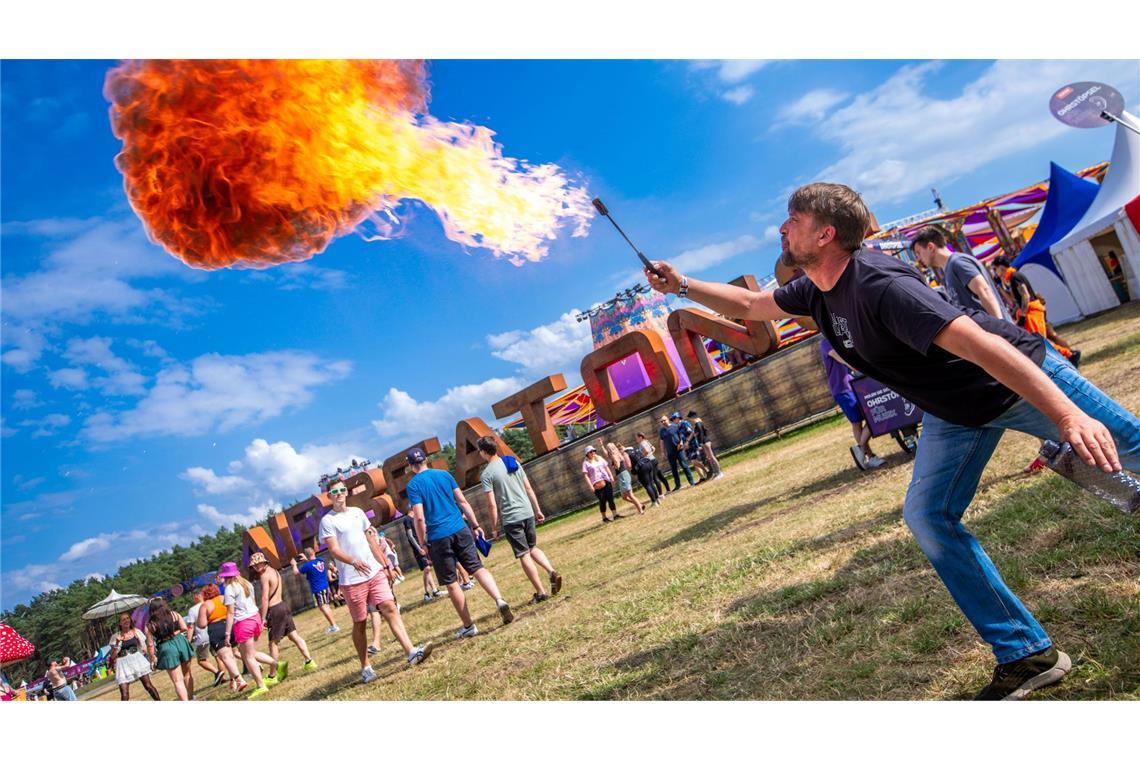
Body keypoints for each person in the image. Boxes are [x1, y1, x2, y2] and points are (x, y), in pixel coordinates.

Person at [646, 181, 1139, 700]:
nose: (782, 228)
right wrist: (682, 284)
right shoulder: (815, 286)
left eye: (793, 219)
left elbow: (985, 345)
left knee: (1133, 448)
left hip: (1015, 382)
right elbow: (750, 303)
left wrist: (1066, 416)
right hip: (955, 411)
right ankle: (1026, 653)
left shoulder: (881, 285)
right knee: (929, 516)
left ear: (826, 234)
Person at [318, 477, 433, 684]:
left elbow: (372, 540)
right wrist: (353, 561)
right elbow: (333, 549)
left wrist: (386, 565)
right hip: (352, 579)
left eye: (342, 490)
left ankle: (411, 651)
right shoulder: (328, 521)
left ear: (347, 492)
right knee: (360, 622)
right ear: (329, 496)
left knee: (389, 606)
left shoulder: (358, 513)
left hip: (374, 571)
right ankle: (365, 665)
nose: (340, 494)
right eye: (335, 492)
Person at [407, 447, 515, 639]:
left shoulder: (414, 485)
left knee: (451, 582)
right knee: (477, 568)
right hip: (460, 527)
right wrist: (474, 525)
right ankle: (499, 600)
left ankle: (468, 625)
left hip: (438, 536)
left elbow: (420, 518)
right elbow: (462, 502)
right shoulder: (444, 475)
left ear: (410, 466)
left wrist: (423, 542)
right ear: (426, 460)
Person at [477, 435, 564, 603]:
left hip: (511, 518)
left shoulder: (487, 474)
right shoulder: (512, 462)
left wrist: (494, 527)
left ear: (483, 452)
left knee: (524, 554)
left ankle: (540, 592)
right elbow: (529, 487)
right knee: (532, 548)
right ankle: (551, 571)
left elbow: (491, 505)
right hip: (528, 512)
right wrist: (537, 510)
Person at [991, 255, 1079, 365]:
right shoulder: (1010, 278)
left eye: (995, 269)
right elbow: (1015, 299)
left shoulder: (1014, 276)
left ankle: (1070, 355)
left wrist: (1022, 316)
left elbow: (1025, 295)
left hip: (1032, 311)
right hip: (1033, 309)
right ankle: (1070, 355)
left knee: (1039, 340)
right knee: (1047, 337)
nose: (995, 272)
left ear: (1001, 267)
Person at [911, 227, 1010, 321]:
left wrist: (1002, 328)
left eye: (918, 253)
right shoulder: (949, 269)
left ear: (930, 247)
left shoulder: (957, 262)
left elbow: (984, 291)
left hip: (999, 333)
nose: (918, 259)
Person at [819, 335, 886, 470]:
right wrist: (856, 366)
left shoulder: (842, 338)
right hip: (843, 390)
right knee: (857, 422)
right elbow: (836, 355)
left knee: (872, 416)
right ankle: (870, 456)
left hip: (857, 385)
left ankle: (861, 449)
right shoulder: (826, 342)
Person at [249, 553, 317, 676]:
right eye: (254, 566)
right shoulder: (275, 571)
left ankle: (273, 675)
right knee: (294, 636)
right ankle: (309, 661)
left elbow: (265, 598)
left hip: (274, 610)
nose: (256, 567)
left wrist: (262, 618)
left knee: (273, 643)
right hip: (282, 606)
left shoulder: (264, 575)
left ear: (264, 562)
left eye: (257, 564)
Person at [218, 562, 278, 699]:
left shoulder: (229, 589)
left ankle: (261, 685)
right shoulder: (246, 583)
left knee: (249, 657)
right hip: (255, 618)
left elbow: (230, 613)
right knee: (248, 654)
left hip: (243, 623)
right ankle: (276, 664)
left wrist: (227, 634)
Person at [195, 583, 247, 693]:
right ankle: (234, 680)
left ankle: (239, 679)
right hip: (230, 625)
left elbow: (202, 624)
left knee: (226, 657)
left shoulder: (205, 605)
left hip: (216, 629)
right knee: (232, 655)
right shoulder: (224, 598)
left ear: (205, 594)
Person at [144, 597, 195, 701]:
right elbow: (184, 628)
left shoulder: (150, 624)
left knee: (177, 680)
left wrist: (152, 658)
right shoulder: (174, 614)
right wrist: (176, 633)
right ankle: (191, 698)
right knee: (187, 674)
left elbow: (150, 644)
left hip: (166, 647)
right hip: (181, 642)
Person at [108, 612, 162, 700]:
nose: (126, 621)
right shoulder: (115, 637)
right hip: (123, 664)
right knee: (124, 693)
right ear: (120, 623)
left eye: (128, 618)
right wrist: (117, 643)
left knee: (148, 686)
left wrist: (152, 657)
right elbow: (113, 656)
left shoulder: (136, 632)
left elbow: (144, 648)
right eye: (123, 619)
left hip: (137, 660)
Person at [291, 548, 340, 633]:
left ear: (306, 555)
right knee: (326, 606)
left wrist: (294, 564)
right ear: (314, 552)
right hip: (325, 586)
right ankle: (333, 625)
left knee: (323, 607)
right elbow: (312, 562)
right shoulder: (320, 560)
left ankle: (334, 626)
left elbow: (296, 573)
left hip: (318, 589)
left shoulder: (307, 566)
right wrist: (306, 559)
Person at [402, 512, 445, 603]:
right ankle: (426, 593)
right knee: (427, 568)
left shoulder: (419, 516)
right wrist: (418, 548)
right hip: (418, 548)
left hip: (424, 545)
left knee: (428, 568)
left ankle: (434, 591)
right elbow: (410, 536)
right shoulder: (407, 520)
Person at [184, 589, 224, 687]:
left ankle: (217, 673)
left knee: (201, 661)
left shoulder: (193, 610)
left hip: (202, 638)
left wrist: (188, 641)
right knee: (218, 657)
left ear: (197, 596)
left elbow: (190, 627)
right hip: (213, 632)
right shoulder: (210, 603)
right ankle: (223, 676)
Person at [581, 445, 621, 523]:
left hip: (606, 480)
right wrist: (590, 486)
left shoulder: (599, 458)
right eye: (590, 452)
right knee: (602, 500)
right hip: (596, 483)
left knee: (610, 498)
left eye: (593, 451)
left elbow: (606, 467)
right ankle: (604, 517)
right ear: (587, 454)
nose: (593, 452)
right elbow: (586, 475)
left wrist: (611, 476)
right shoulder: (585, 463)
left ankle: (615, 515)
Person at [605, 441, 645, 514]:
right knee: (624, 497)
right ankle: (640, 505)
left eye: (607, 449)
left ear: (609, 449)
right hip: (623, 475)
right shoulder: (618, 453)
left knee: (630, 495)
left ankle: (641, 511)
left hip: (622, 475)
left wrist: (614, 465)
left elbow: (618, 466)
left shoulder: (614, 456)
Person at [659, 414, 696, 489]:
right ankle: (678, 485)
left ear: (668, 420)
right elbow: (661, 442)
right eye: (661, 421)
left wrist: (681, 443)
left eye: (664, 420)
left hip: (679, 450)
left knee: (684, 466)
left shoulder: (675, 426)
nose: (663, 422)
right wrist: (663, 452)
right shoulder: (662, 431)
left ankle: (691, 481)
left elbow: (681, 436)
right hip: (670, 453)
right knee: (674, 469)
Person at [687, 411, 724, 479]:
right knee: (709, 458)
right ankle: (715, 473)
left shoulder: (697, 423)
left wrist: (700, 444)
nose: (690, 420)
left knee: (712, 457)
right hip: (704, 442)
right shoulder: (698, 423)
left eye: (690, 418)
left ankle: (719, 473)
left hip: (705, 442)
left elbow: (701, 433)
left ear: (692, 417)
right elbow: (699, 432)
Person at [676, 414, 711, 482]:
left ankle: (707, 470)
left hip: (693, 444)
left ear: (678, 418)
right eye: (672, 419)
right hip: (687, 446)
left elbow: (692, 432)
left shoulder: (685, 423)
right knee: (693, 462)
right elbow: (681, 437)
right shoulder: (678, 427)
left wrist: (688, 442)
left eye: (674, 418)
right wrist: (681, 444)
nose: (673, 420)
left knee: (694, 461)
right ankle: (702, 477)